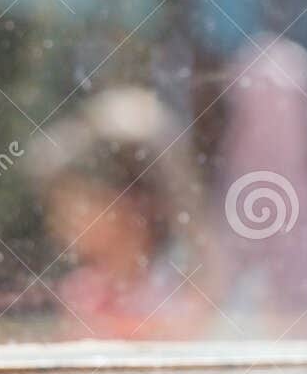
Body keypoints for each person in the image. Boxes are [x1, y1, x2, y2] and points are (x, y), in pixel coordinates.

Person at [33, 87, 219, 340]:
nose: (63, 217)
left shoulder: (185, 295)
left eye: (87, 199)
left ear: (135, 202)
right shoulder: (85, 292)